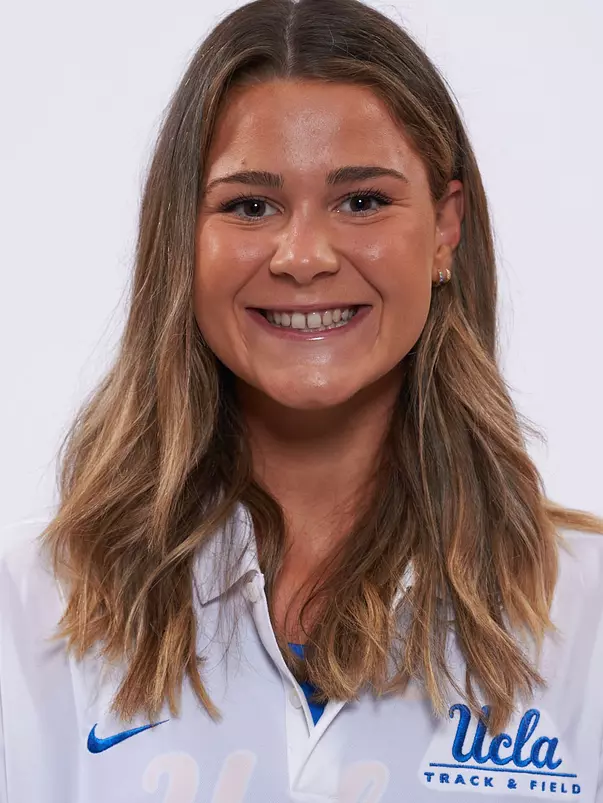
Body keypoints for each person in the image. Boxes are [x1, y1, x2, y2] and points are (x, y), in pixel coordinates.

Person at [1, 0, 602, 800]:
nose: (303, 256)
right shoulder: (34, 603)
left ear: (445, 229)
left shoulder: (585, 612)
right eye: (250, 205)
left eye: (361, 201)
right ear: (182, 237)